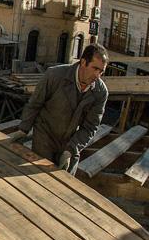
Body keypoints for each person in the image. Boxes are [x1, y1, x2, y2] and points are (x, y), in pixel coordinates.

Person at [9, 44, 109, 174]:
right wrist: (23, 129)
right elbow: (35, 104)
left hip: (71, 141)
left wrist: (71, 150)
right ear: (83, 62)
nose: (97, 75)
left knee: (65, 183)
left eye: (101, 71)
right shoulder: (55, 75)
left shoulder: (100, 92)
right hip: (45, 136)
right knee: (40, 178)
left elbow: (90, 127)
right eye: (95, 68)